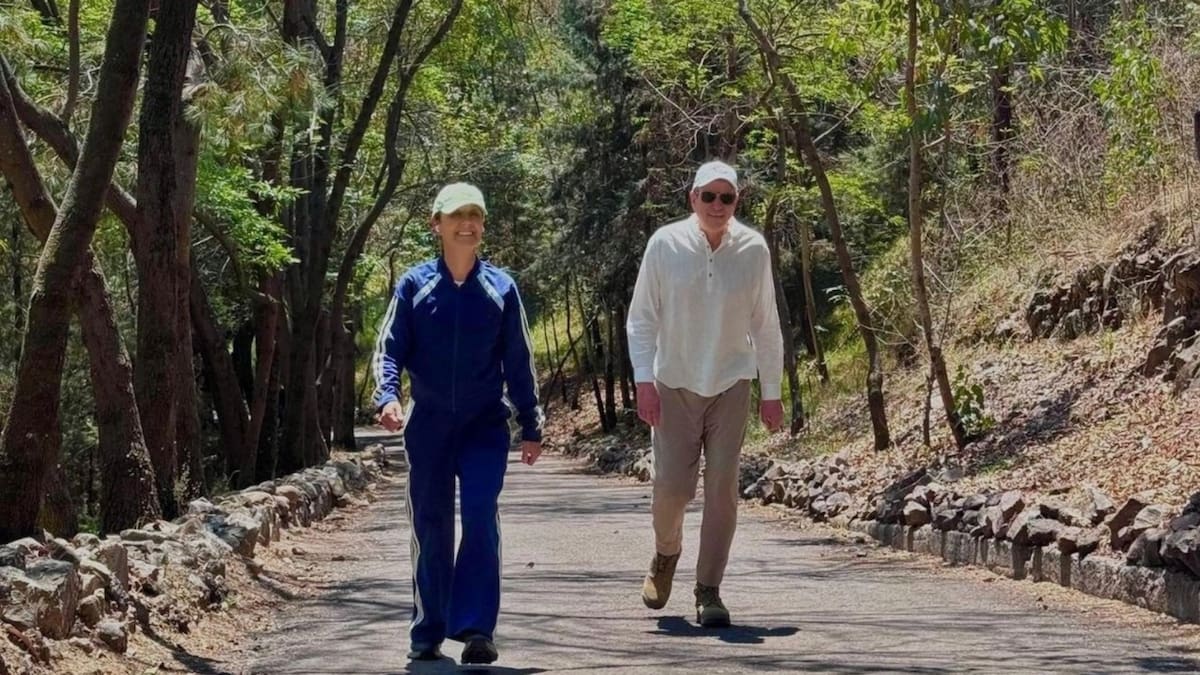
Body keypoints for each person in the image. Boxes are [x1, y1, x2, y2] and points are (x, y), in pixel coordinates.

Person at [372, 182, 544, 665]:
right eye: (456, 216)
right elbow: (389, 350)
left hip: (484, 426)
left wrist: (531, 423)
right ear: (437, 224)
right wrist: (386, 397)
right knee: (430, 524)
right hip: (428, 426)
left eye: (475, 216)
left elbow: (519, 360)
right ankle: (428, 628)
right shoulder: (414, 285)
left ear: (482, 225)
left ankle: (476, 630)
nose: (467, 224)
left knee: (480, 515)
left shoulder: (501, 288)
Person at [626, 160, 784, 628]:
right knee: (671, 489)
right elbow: (641, 319)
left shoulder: (753, 248)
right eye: (708, 196)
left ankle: (709, 589)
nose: (717, 206)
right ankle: (665, 553)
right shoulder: (665, 244)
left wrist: (771, 392)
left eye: (727, 197)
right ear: (692, 198)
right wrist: (643, 381)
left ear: (737, 201)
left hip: (731, 382)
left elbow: (767, 324)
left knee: (722, 490)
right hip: (673, 381)